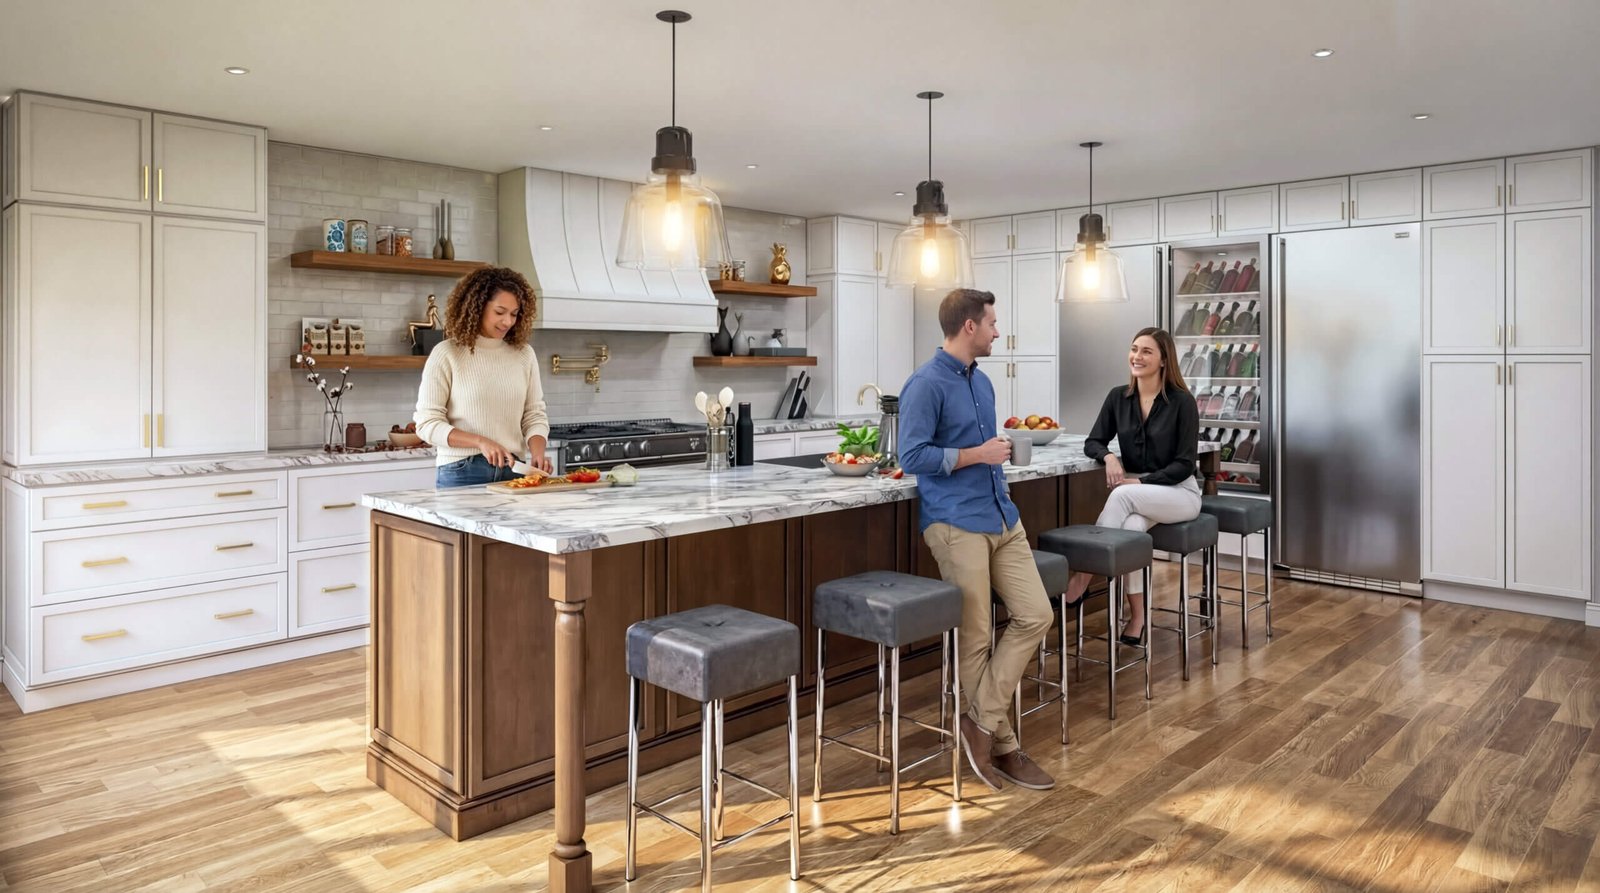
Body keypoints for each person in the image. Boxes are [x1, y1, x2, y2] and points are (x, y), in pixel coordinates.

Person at [898, 288, 1055, 792]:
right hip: (954, 523)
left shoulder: (982, 384)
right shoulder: (924, 384)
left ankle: (980, 724)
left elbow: (984, 451)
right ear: (969, 326)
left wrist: (996, 456)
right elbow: (913, 455)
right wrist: (975, 454)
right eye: (991, 322)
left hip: (1002, 517)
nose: (996, 331)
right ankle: (1003, 746)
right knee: (978, 637)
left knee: (1037, 614)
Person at [1062, 327, 1202, 645]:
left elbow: (1184, 465)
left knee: (1123, 494)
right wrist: (1109, 456)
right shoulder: (1118, 398)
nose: (1136, 357)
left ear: (1164, 360)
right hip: (1142, 498)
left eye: (1146, 351)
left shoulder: (1183, 402)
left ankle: (1082, 576)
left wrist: (1140, 480)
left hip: (1181, 493)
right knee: (1133, 529)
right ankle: (1138, 616)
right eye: (1134, 349)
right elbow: (1093, 441)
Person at [414, 267, 553, 487]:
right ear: (477, 307)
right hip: (462, 471)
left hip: (514, 470)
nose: (507, 321)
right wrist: (480, 442)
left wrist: (538, 452)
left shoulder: (524, 354)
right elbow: (427, 424)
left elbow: (534, 415)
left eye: (514, 314)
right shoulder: (447, 353)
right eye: (500, 312)